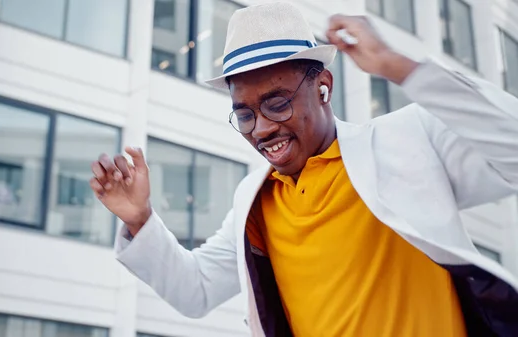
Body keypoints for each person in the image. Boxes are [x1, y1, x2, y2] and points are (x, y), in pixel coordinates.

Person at [90, 3, 518, 337]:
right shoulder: (255, 202)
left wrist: (396, 65)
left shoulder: (406, 141)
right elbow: (195, 290)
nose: (262, 129)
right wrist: (140, 219)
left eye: (278, 103)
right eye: (244, 115)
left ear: (324, 87)